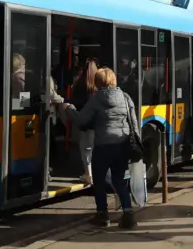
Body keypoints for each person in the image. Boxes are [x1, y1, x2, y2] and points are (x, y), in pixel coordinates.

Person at [48, 67, 139, 229]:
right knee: (119, 180)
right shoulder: (125, 97)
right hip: (122, 144)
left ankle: (103, 216)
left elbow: (82, 120)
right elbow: (134, 122)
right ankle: (128, 215)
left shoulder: (97, 99)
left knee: (99, 181)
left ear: (98, 82)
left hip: (103, 145)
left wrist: (69, 108)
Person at [70, 58, 99, 185]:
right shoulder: (99, 85)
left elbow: (74, 101)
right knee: (95, 149)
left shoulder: (79, 84)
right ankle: (97, 174)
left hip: (84, 122)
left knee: (85, 148)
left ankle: (88, 174)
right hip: (96, 123)